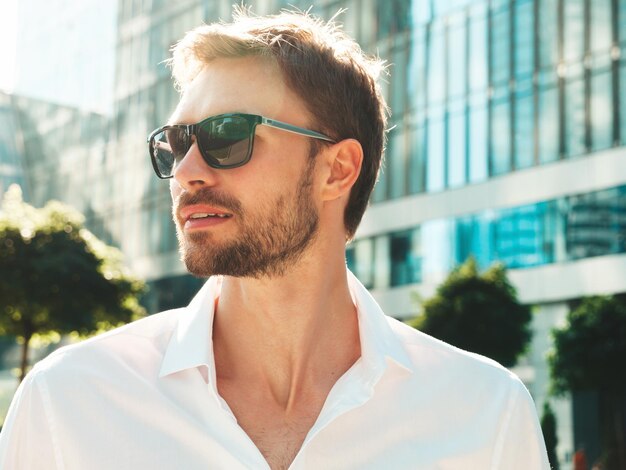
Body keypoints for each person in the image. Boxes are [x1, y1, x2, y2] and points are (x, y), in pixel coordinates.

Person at [0, 8, 550, 470]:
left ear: (337, 169)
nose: (187, 170)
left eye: (227, 134)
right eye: (176, 141)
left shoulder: (487, 416)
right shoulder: (67, 404)